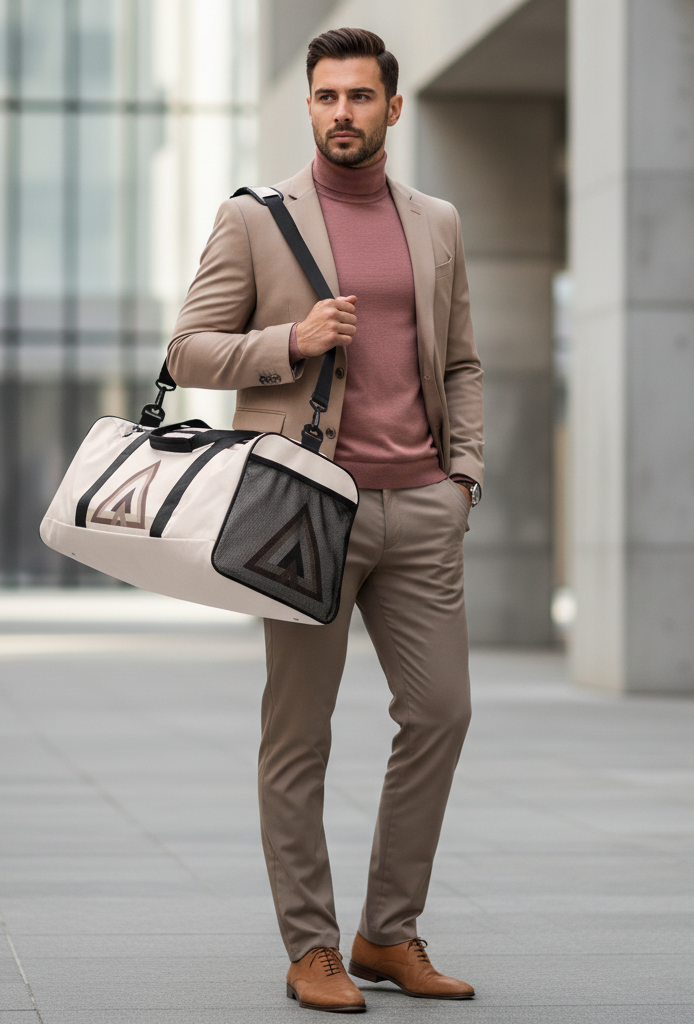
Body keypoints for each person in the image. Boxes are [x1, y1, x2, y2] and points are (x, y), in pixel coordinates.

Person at [167, 26, 484, 1014]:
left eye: (359, 96)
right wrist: (291, 341)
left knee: (440, 713)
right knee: (299, 732)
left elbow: (461, 361)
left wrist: (463, 476)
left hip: (421, 505)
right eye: (326, 96)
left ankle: (387, 932)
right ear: (309, 105)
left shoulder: (436, 221)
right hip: (305, 510)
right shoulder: (255, 220)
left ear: (393, 106)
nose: (342, 112)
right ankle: (311, 946)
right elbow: (186, 350)